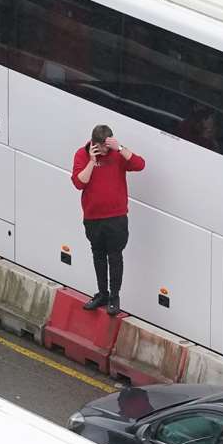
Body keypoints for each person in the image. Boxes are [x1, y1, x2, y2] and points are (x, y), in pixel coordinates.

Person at [71, 124, 144, 316]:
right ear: (94, 144)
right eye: (103, 147)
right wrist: (92, 161)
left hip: (116, 218)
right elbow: (79, 182)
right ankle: (102, 293)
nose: (106, 150)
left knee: (115, 256)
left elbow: (139, 164)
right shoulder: (82, 154)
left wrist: (119, 148)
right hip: (93, 217)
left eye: (108, 146)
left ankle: (114, 297)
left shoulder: (117, 154)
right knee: (98, 256)